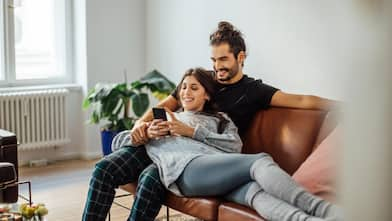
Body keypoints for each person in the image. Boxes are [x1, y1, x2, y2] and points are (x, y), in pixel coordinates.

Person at [82, 21, 338, 221]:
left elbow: (304, 101)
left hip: (200, 158)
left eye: (223, 60)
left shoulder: (253, 91)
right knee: (104, 170)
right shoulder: (202, 80)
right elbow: (165, 106)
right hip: (161, 144)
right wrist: (140, 125)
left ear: (241, 57)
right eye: (213, 60)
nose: (217, 67)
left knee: (151, 179)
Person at [113, 67, 341, 221]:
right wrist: (143, 133)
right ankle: (326, 211)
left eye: (194, 87)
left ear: (207, 96)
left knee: (255, 193)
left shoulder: (220, 120)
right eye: (183, 87)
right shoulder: (164, 119)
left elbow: (234, 147)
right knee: (259, 161)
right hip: (186, 170)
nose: (186, 92)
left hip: (215, 170)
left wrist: (192, 132)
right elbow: (120, 141)